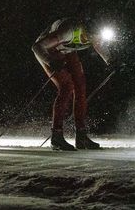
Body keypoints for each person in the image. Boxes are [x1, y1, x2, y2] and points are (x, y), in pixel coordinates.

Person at [31, 18, 111, 151]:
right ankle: (56, 137)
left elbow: (98, 45)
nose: (94, 40)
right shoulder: (69, 31)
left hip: (67, 49)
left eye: (96, 37)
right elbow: (36, 47)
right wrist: (50, 61)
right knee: (66, 87)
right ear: (85, 30)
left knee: (80, 87)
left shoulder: (94, 35)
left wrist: (111, 60)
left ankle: (81, 137)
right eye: (90, 36)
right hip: (48, 50)